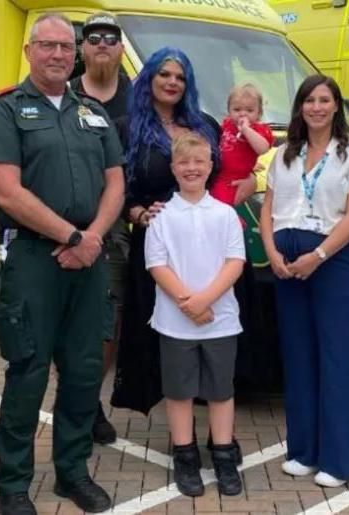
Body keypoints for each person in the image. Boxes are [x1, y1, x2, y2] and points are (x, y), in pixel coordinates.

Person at [0, 13, 125, 515]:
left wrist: (93, 238)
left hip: (88, 258)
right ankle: (13, 484)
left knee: (84, 371)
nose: (60, 54)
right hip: (33, 259)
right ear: (29, 51)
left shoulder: (93, 113)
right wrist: (72, 236)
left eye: (67, 46)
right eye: (48, 45)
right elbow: (6, 191)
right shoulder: (4, 111)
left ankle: (73, 472)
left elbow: (115, 184)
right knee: (29, 371)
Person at [259, 74, 349, 488]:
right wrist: (271, 251)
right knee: (299, 356)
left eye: (325, 100)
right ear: (299, 107)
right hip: (287, 262)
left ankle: (339, 461)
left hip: (333, 260)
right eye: (309, 100)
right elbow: (269, 207)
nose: (317, 107)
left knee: (338, 359)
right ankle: (304, 451)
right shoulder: (284, 154)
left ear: (335, 105)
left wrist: (319, 255)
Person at [110, 46, 222, 417]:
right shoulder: (127, 128)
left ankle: (207, 407)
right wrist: (137, 211)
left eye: (180, 77)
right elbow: (113, 187)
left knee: (207, 320)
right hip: (155, 242)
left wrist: (247, 185)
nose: (173, 82)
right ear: (149, 78)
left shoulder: (206, 125)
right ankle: (172, 413)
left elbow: (226, 176)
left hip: (206, 243)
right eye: (165, 74)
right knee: (158, 325)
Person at [146, 131, 246, 497]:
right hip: (175, 322)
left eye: (198, 162)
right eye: (184, 162)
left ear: (210, 166)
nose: (191, 168)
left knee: (221, 392)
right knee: (179, 391)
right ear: (173, 168)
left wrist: (205, 301)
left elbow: (235, 261)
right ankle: (184, 455)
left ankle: (222, 453)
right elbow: (157, 264)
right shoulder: (161, 215)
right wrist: (189, 302)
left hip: (219, 321)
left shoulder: (224, 213)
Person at [68, 11, 133, 446]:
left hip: (115, 229)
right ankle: (77, 401)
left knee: (109, 322)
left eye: (111, 37)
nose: (103, 44)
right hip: (64, 229)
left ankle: (89, 399)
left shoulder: (137, 98)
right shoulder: (64, 94)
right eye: (94, 37)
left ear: (121, 48)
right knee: (67, 322)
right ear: (83, 47)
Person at [210, 83, 274, 207]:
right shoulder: (228, 124)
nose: (242, 114)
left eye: (249, 110)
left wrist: (246, 130)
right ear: (229, 110)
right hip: (219, 173)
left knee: (220, 204)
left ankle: (234, 221)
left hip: (234, 179)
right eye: (237, 109)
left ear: (259, 113)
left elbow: (263, 148)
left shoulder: (258, 129)